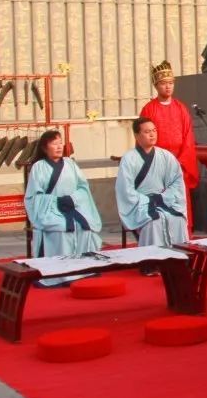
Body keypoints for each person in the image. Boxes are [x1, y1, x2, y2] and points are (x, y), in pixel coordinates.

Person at [23, 130, 104, 285]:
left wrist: (73, 199)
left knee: (85, 228)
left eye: (61, 142)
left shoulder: (70, 163)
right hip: (51, 211)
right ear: (45, 147)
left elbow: (83, 187)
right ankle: (60, 273)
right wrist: (56, 202)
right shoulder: (38, 167)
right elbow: (34, 196)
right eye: (54, 143)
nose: (59, 146)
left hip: (74, 207)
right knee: (61, 229)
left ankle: (84, 270)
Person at [139, 61, 199, 234]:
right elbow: (144, 137)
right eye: (164, 83)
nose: (168, 87)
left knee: (179, 203)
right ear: (156, 85)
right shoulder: (149, 109)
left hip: (179, 163)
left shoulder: (181, 108)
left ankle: (182, 233)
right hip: (157, 164)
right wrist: (156, 162)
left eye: (171, 83)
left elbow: (188, 138)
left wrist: (179, 162)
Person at [115, 118, 189, 251]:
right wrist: (148, 200)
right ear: (137, 136)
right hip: (140, 204)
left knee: (177, 219)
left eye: (154, 131)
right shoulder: (129, 159)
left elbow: (176, 182)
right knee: (154, 221)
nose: (152, 134)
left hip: (163, 201)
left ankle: (180, 258)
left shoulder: (166, 156)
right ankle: (152, 260)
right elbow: (125, 190)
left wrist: (163, 197)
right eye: (147, 131)